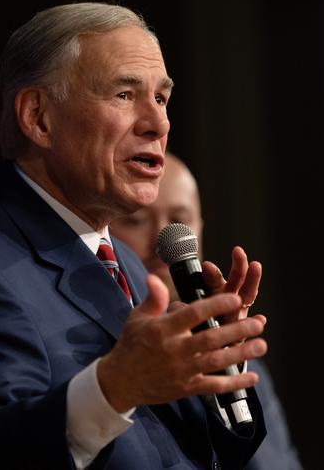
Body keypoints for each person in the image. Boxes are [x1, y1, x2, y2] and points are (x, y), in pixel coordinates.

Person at [0, 2, 269, 469]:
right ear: (38, 117)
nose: (158, 123)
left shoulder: (123, 261)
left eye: (161, 98)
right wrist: (115, 388)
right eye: (125, 95)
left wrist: (211, 363)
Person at [110, 153, 302, 469]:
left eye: (180, 221)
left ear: (199, 229)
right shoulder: (108, 352)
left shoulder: (242, 363)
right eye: (136, 220)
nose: (160, 242)